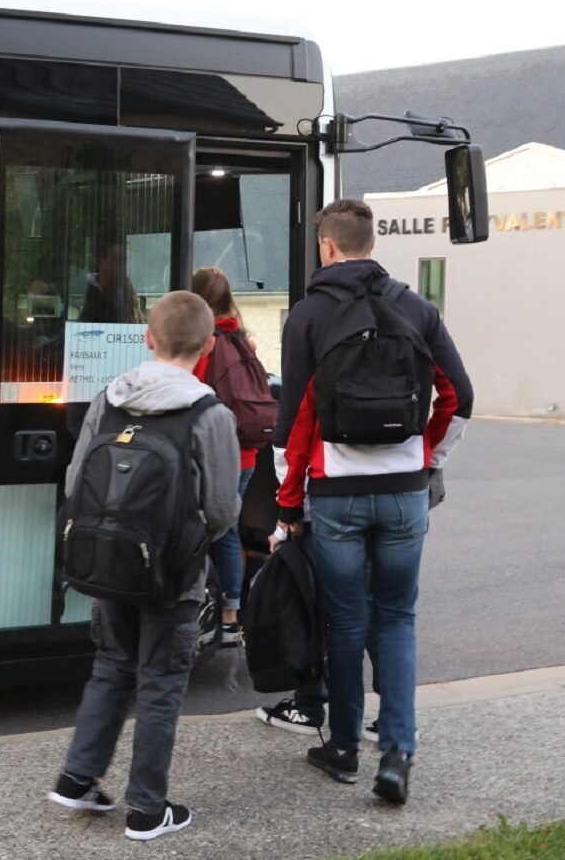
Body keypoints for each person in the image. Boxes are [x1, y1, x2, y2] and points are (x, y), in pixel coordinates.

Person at [264, 198, 471, 805]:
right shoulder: (416, 307)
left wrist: (287, 505)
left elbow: (293, 421)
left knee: (346, 620)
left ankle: (345, 747)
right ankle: (398, 752)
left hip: (336, 496)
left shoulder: (307, 317)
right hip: (405, 494)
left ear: (327, 246)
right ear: (371, 244)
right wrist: (426, 458)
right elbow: (460, 395)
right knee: (398, 618)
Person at [47, 290, 241, 841]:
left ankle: (77, 778)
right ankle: (148, 811)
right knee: (160, 681)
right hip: (174, 574)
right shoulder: (209, 414)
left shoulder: (109, 399)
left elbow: (74, 480)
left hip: (110, 563)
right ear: (206, 347)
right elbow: (223, 508)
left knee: (111, 665)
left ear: (147, 338)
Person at [187, 266, 262, 645]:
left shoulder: (204, 343)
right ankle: (231, 615)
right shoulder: (243, 340)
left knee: (199, 528)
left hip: (212, 453)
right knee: (228, 531)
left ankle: (197, 608)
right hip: (245, 455)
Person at [79, 240, 147, 324]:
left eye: (126, 261)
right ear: (100, 262)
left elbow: (137, 321)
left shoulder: (128, 291)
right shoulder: (83, 290)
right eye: (118, 260)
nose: (123, 267)